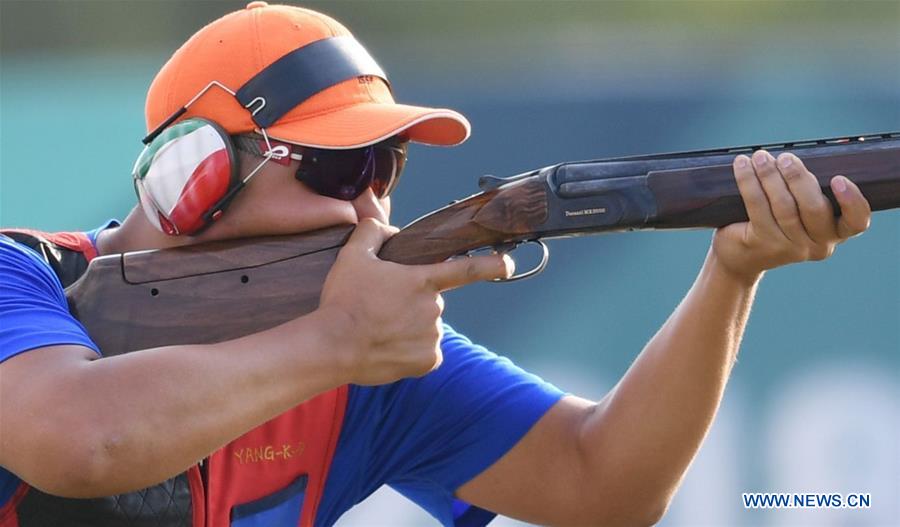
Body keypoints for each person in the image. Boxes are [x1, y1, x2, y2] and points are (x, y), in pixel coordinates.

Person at [0, 3, 872, 527]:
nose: (368, 209)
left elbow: (607, 482)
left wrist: (732, 274)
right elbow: (79, 440)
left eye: (386, 168)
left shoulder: (360, 354)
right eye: (341, 168)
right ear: (195, 177)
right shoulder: (16, 277)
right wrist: (336, 344)